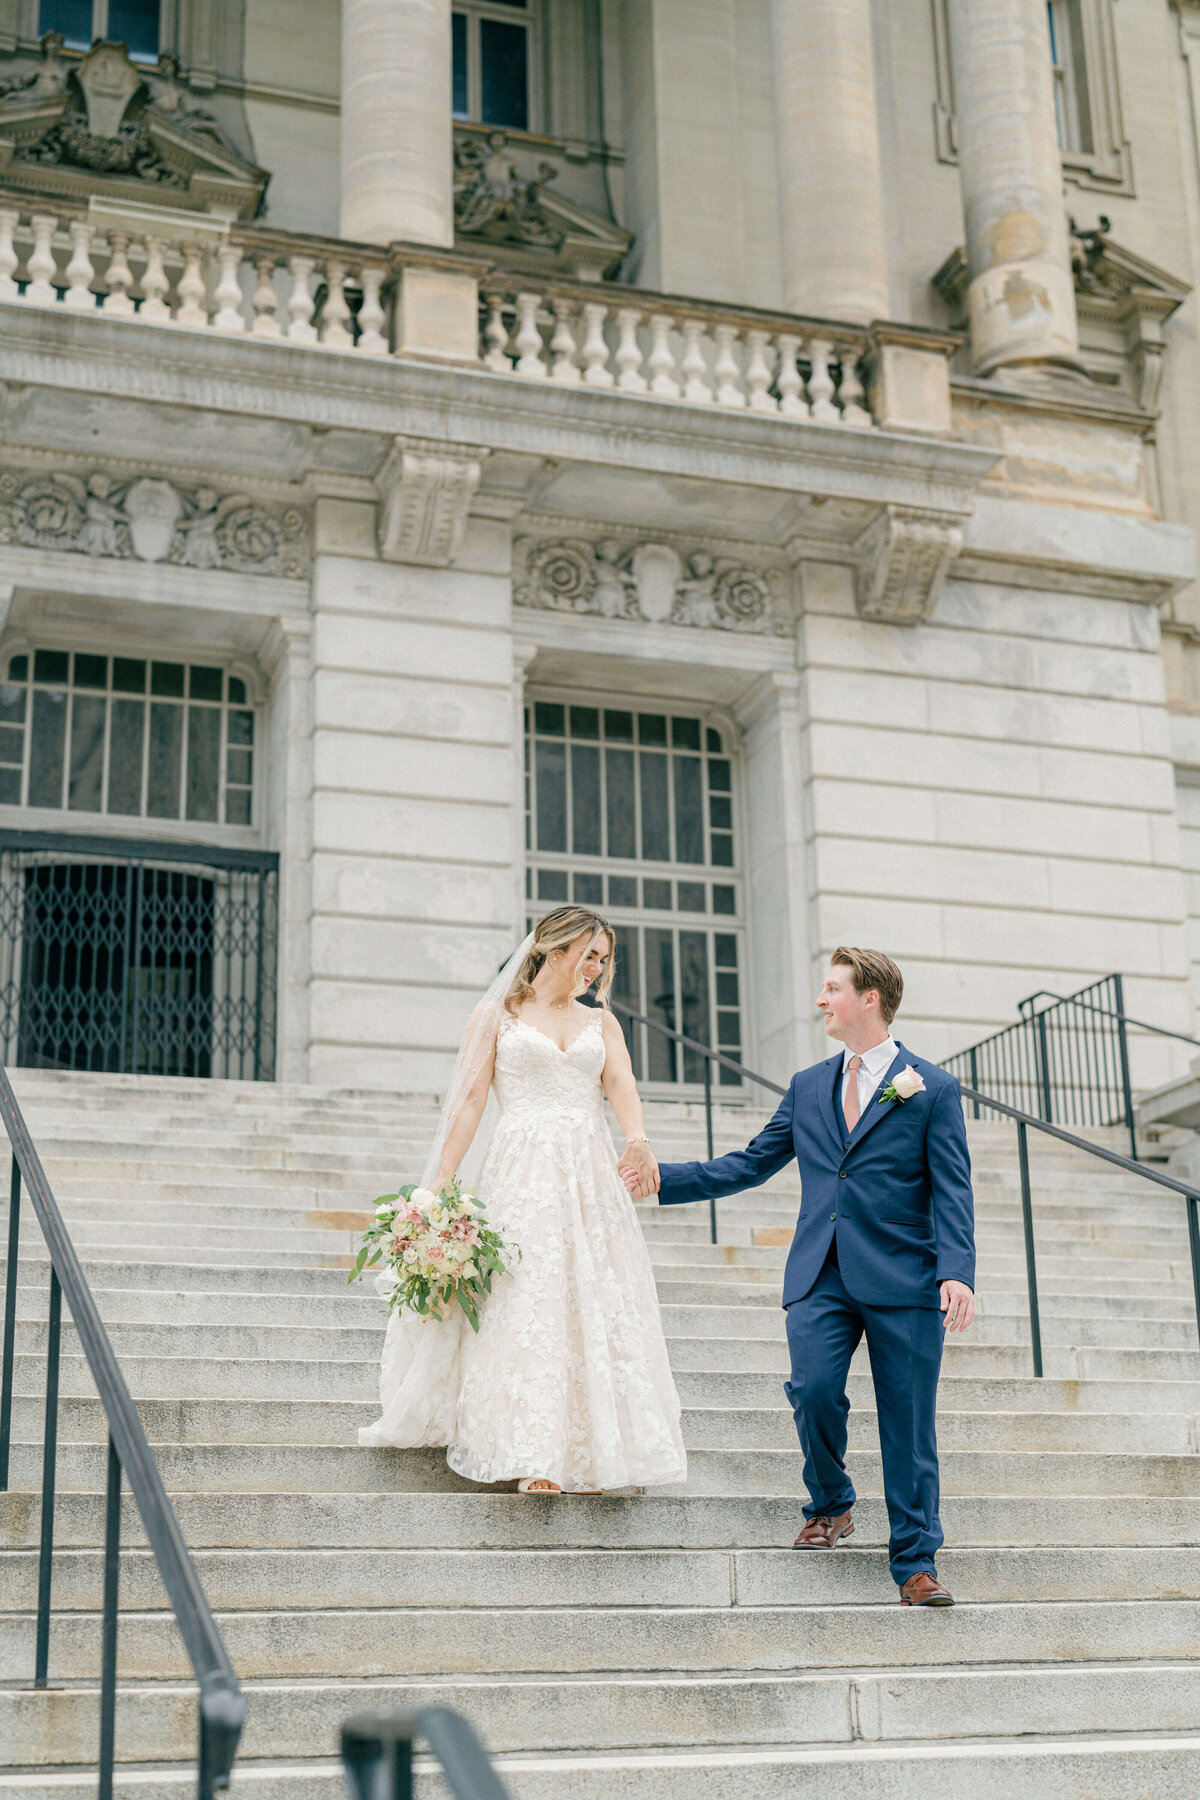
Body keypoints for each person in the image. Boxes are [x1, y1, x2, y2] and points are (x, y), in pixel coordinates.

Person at [624, 946, 974, 1604]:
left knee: (908, 1424)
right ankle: (832, 1503)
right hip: (821, 1273)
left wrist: (957, 1271)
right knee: (813, 1390)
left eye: (832, 988)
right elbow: (753, 1162)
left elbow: (953, 1190)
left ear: (869, 999)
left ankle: (916, 1562)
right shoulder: (809, 1086)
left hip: (904, 1277)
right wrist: (662, 1179)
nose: (821, 1000)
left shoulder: (931, 1087)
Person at [359, 906, 686, 1497]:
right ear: (554, 948)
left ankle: (595, 1454)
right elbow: (469, 1101)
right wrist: (440, 1184)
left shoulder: (602, 1024)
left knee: (592, 1297)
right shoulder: (497, 1016)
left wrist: (638, 1140)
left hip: (588, 1173)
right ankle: (532, 1453)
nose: (595, 968)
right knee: (529, 1300)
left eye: (604, 959)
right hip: (522, 1169)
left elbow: (621, 1086)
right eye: (588, 954)